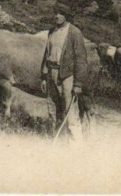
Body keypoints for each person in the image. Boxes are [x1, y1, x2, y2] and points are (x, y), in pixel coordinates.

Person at [40, 8, 88, 142]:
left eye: (60, 13)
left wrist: (78, 84)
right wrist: (44, 76)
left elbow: (81, 60)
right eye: (55, 13)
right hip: (51, 73)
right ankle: (58, 139)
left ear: (67, 15)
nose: (56, 16)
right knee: (53, 109)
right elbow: (46, 55)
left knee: (70, 111)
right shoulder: (52, 31)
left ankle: (76, 144)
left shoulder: (74, 32)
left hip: (67, 76)